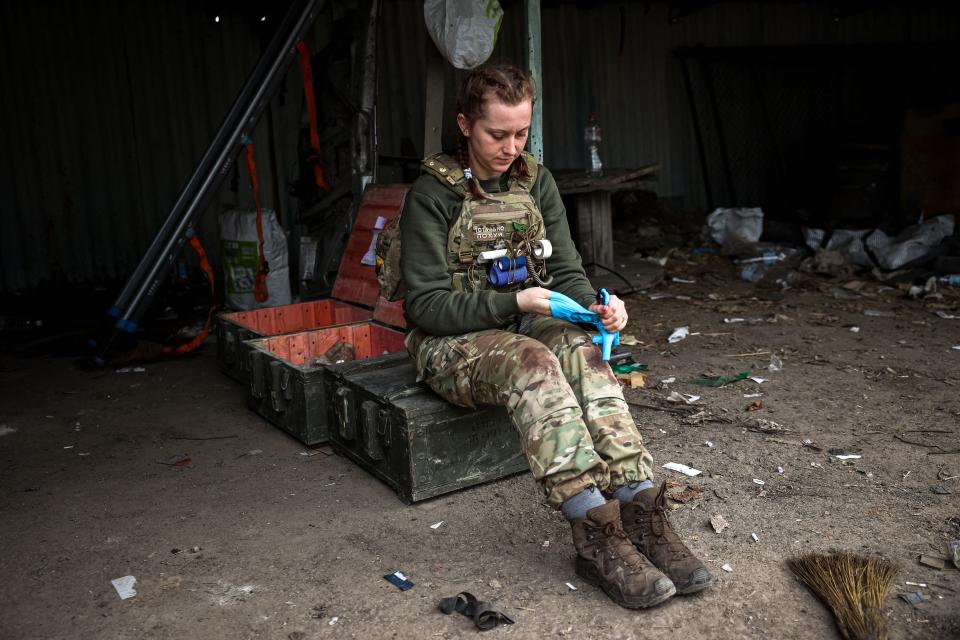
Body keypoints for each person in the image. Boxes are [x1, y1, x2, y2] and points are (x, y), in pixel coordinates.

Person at [400, 63, 712, 609]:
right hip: (449, 343)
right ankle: (594, 534)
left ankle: (642, 509)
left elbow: (566, 272)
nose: (510, 146)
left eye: (521, 132)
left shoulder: (534, 181)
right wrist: (513, 301)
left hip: (524, 321)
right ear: (465, 125)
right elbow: (425, 306)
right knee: (532, 359)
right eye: (497, 134)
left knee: (579, 347)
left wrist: (599, 309)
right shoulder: (432, 194)